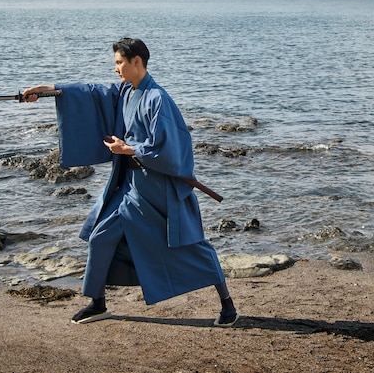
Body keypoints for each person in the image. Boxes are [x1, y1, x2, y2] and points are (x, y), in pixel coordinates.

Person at [21, 38, 238, 327]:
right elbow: (92, 93)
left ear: (137, 62)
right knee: (100, 237)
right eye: (115, 64)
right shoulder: (127, 91)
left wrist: (130, 149)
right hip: (130, 186)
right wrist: (48, 90)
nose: (116, 69)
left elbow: (170, 146)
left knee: (191, 247)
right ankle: (98, 304)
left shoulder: (158, 99)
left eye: (119, 63)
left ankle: (228, 306)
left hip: (156, 188)